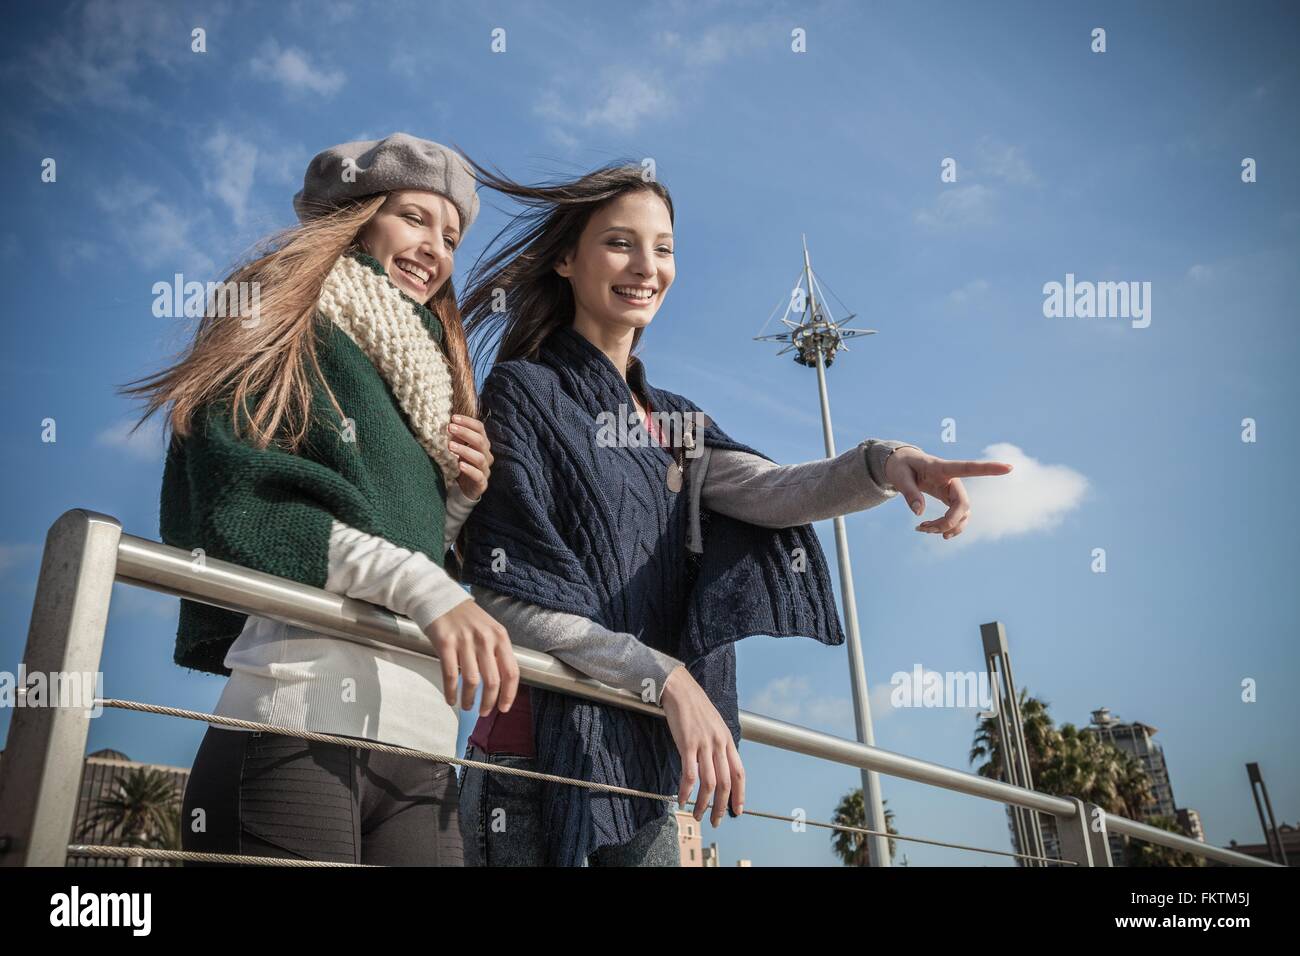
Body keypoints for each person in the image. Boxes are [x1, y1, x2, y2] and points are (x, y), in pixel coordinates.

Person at [452, 161, 1013, 866]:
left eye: (664, 247)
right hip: (530, 768)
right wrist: (666, 677)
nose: (646, 266)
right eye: (620, 243)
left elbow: (777, 491)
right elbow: (504, 596)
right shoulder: (522, 393)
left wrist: (887, 461)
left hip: (642, 774)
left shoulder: (675, 424)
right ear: (566, 258)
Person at [122, 133, 518, 866]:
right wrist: (428, 585)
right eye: (413, 217)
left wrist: (458, 503)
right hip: (293, 724)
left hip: (424, 746)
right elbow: (246, 511)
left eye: (452, 235)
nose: (436, 247)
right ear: (356, 215)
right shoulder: (276, 320)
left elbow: (397, 542)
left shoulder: (428, 377)